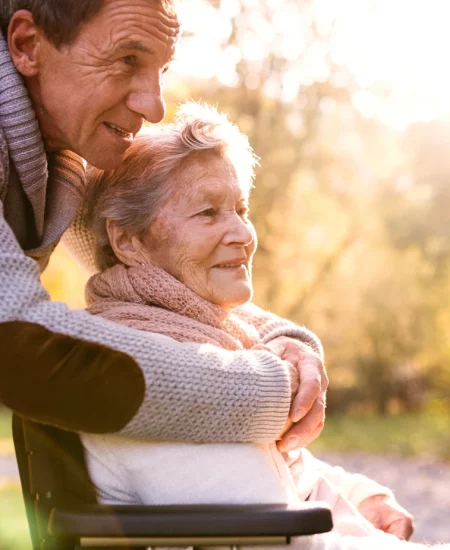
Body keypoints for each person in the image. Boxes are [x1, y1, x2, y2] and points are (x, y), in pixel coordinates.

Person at [81, 103, 421, 549]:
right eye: (207, 213)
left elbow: (268, 471)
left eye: (240, 209)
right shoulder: (153, 365)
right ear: (127, 240)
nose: (242, 234)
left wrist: (358, 497)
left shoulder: (196, 334)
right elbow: (277, 536)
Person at [0, 0, 327, 451]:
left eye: (162, 70)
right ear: (27, 45)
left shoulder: (61, 153)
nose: (154, 106)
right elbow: (20, 349)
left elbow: (150, 266)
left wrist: (280, 339)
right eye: (127, 60)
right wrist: (274, 388)